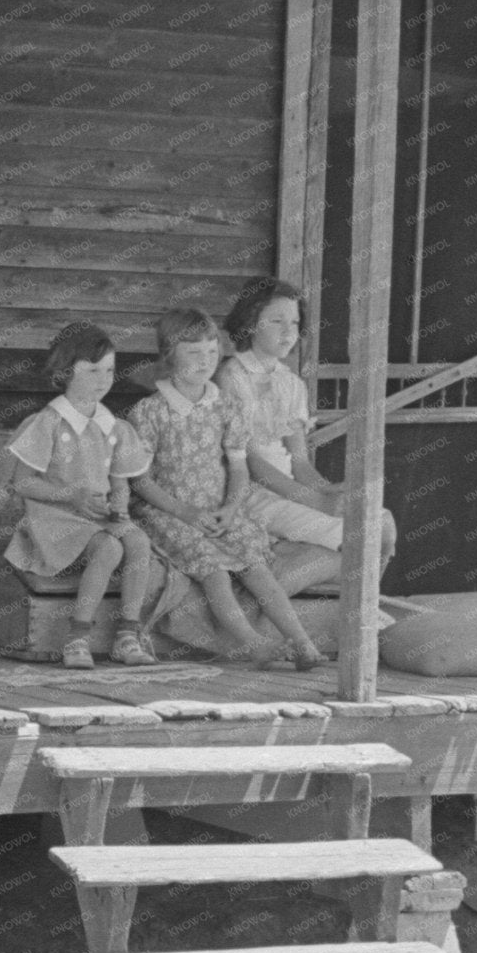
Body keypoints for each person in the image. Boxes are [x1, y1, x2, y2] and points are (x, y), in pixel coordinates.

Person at [129, 309, 326, 671]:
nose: (205, 361)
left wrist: (232, 508)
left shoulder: (227, 407)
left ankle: (302, 642)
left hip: (219, 507)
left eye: (211, 351)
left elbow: (238, 468)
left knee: (255, 565)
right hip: (169, 512)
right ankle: (254, 645)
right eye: (193, 352)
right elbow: (140, 480)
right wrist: (186, 513)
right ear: (170, 354)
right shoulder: (149, 412)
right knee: (214, 569)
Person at [3, 323, 159, 670]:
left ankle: (127, 635)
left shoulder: (113, 427)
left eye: (109, 370)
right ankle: (76, 638)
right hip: (55, 517)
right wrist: (71, 496)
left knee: (139, 543)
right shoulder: (48, 423)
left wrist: (118, 501)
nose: (103, 379)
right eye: (92, 370)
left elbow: (119, 481)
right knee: (109, 547)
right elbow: (22, 483)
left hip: (98, 516)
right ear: (65, 372)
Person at [214, 276, 397, 565]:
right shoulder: (232, 377)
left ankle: (361, 605)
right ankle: (333, 596)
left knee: (381, 521)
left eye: (295, 323)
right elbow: (248, 460)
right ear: (250, 322)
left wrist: (325, 490)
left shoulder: (291, 383)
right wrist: (312, 500)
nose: (288, 332)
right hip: (249, 493)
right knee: (354, 532)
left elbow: (299, 462)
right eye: (277, 321)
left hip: (289, 489)